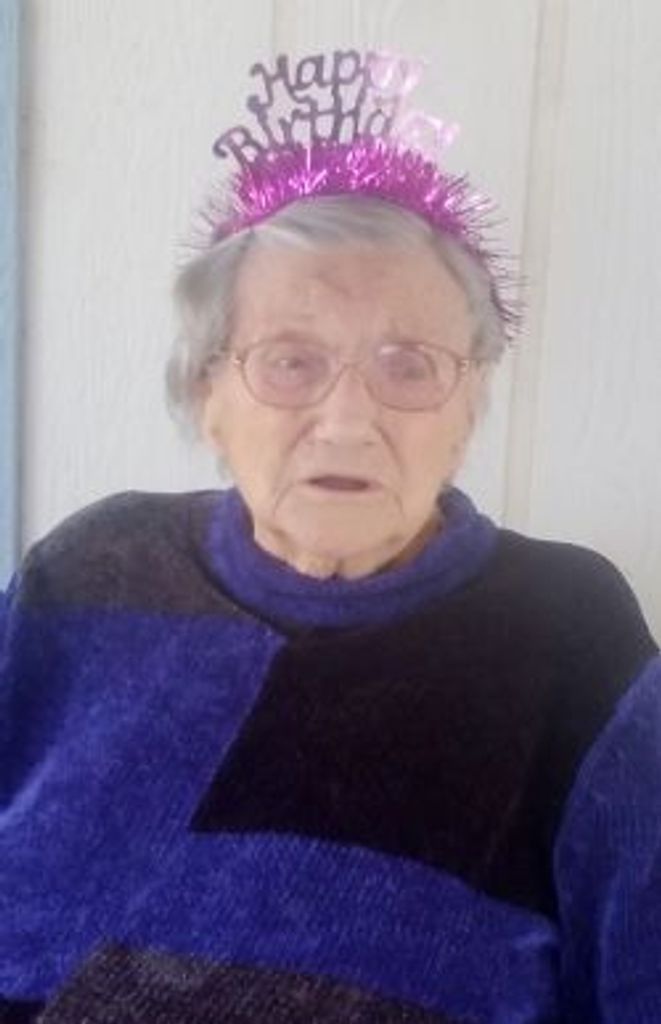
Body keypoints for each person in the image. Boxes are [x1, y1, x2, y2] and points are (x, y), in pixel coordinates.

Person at [1, 50, 660, 1024]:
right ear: (207, 394)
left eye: (408, 364)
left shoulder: (569, 636)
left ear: (468, 406)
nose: (348, 421)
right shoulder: (91, 569)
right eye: (290, 361)